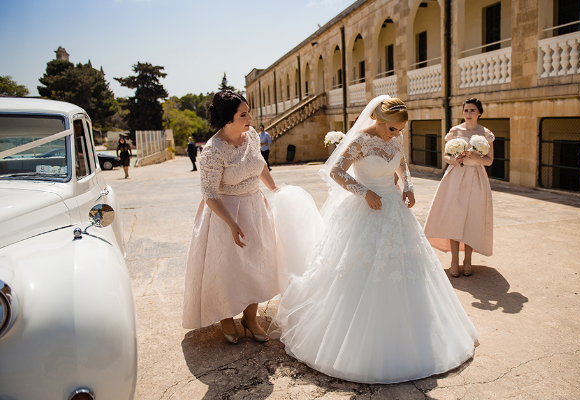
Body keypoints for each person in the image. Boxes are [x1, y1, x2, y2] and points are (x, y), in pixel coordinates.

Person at [273, 95, 478, 384]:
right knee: (357, 268)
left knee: (407, 267)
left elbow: (402, 164)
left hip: (393, 208)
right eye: (391, 129)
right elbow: (336, 171)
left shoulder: (395, 138)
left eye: (400, 130)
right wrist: (363, 191)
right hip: (365, 207)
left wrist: (407, 186)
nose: (396, 135)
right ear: (378, 121)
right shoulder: (359, 140)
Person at [182, 90, 279, 344]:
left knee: (257, 262)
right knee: (226, 268)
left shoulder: (252, 137)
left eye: (249, 112)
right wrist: (232, 223)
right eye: (243, 114)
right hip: (224, 213)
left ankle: (250, 317)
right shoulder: (212, 151)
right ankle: (225, 316)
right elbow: (210, 193)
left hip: (254, 207)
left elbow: (260, 166)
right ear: (227, 119)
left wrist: (275, 189)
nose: (250, 118)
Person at [424, 98, 495, 277]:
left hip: (476, 178)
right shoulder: (455, 131)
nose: (468, 114)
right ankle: (454, 260)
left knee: (472, 219)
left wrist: (476, 157)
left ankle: (468, 260)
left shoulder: (486, 133)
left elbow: (489, 160)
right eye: (466, 110)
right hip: (455, 177)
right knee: (454, 218)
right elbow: (446, 156)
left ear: (479, 112)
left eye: (472, 110)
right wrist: (454, 160)